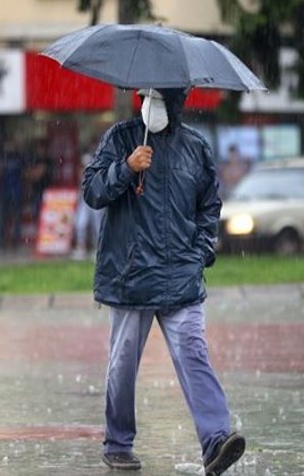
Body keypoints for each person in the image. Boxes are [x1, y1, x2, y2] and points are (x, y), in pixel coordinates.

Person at [82, 87, 245, 475]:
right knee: (122, 365)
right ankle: (118, 443)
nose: (151, 105)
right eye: (145, 97)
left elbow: (209, 205)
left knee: (194, 353)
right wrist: (126, 167)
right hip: (130, 276)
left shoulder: (195, 148)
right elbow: (92, 192)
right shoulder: (120, 138)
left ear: (177, 101)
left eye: (160, 97)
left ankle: (216, 440)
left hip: (181, 278)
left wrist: (202, 251)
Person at [71, 150, 103, 260]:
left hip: (95, 202)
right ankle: (81, 248)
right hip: (84, 202)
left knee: (97, 226)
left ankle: (98, 250)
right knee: (80, 223)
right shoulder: (81, 175)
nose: (85, 168)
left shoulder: (97, 174)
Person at [0, 140, 25, 248]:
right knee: (6, 217)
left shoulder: (16, 159)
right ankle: (5, 240)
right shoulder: (9, 159)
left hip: (13, 191)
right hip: (9, 191)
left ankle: (11, 241)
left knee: (12, 217)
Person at [26, 139, 53, 231]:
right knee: (36, 211)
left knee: (47, 213)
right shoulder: (34, 159)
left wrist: (36, 172)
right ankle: (39, 230)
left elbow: (40, 173)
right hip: (36, 189)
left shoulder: (48, 160)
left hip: (46, 190)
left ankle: (45, 231)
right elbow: (29, 174)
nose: (40, 150)